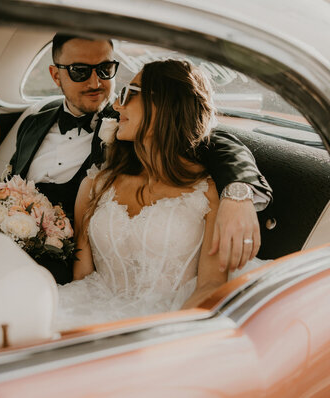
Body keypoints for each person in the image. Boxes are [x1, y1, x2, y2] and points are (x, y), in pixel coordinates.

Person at [5, 35, 271, 284]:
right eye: (80, 71)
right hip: (15, 249)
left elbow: (214, 141)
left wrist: (239, 193)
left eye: (105, 69)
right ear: (55, 75)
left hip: (60, 268)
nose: (96, 82)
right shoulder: (33, 123)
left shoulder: (127, 122)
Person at [54, 60, 264, 330]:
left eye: (128, 93)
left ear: (163, 104)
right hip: (85, 310)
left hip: (170, 321)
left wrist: (166, 338)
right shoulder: (96, 185)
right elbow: (81, 277)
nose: (117, 106)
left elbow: (211, 285)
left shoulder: (210, 192)